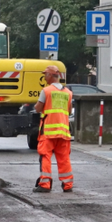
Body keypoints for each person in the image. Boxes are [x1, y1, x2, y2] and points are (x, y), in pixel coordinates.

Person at [34, 65, 73, 193]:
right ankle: (67, 185)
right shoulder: (68, 93)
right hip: (63, 131)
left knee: (45, 156)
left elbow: (38, 108)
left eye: (45, 75)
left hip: (48, 131)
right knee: (64, 158)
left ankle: (45, 184)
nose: (45, 77)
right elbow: (69, 111)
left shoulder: (46, 91)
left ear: (50, 75)